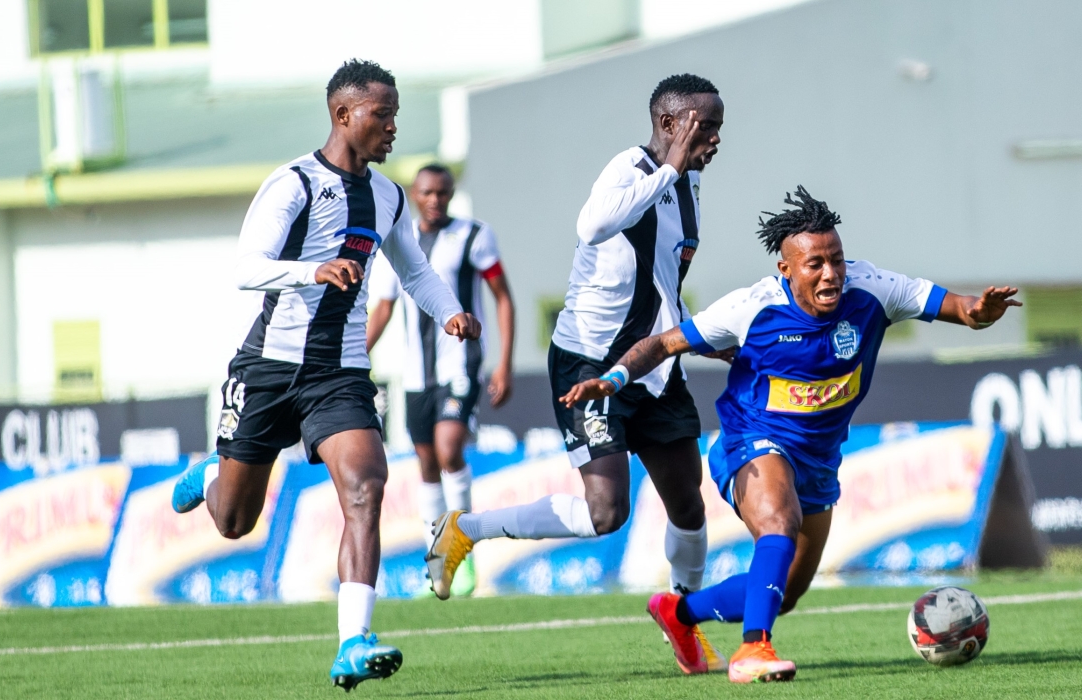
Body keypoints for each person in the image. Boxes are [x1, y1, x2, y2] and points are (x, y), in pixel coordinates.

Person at [559, 185, 1021, 683]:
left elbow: (958, 306)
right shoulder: (751, 308)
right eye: (815, 264)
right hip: (751, 439)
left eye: (836, 260)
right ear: (786, 269)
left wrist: (978, 312)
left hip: (818, 458)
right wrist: (614, 379)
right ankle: (752, 650)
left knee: (787, 590)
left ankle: (680, 612)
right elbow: (662, 344)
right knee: (778, 522)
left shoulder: (872, 289)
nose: (831, 274)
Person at [169, 59, 480, 692]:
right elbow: (246, 267)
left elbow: (415, 272)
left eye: (395, 114)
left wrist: (449, 312)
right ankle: (213, 476)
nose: (392, 127)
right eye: (382, 114)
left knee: (367, 486)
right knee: (233, 522)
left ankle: (353, 641)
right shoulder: (294, 184)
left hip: (341, 373)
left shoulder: (388, 195)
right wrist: (309, 271)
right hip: (269, 368)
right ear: (343, 114)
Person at [425, 73, 728, 674]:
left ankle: (683, 620)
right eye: (706, 127)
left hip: (653, 363)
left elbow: (662, 280)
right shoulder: (630, 169)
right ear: (670, 125)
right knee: (605, 513)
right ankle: (465, 528)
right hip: (589, 360)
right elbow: (591, 225)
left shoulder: (689, 183)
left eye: (719, 127)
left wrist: (699, 338)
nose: (716, 139)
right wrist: (669, 167)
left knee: (688, 506)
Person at [366, 163, 515, 596]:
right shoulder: (399, 242)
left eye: (443, 193)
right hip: (416, 375)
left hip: (459, 366)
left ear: (451, 194)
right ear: (414, 194)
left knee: (450, 449)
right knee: (427, 465)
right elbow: (383, 308)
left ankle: (462, 553)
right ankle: (437, 563)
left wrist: (503, 363)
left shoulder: (473, 235)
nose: (435, 200)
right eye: (428, 193)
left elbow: (503, 297)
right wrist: (355, 355)